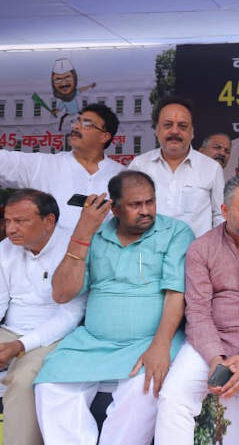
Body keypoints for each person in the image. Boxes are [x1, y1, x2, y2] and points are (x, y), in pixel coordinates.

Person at [34, 171, 194, 445]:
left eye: (150, 202)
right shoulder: (94, 235)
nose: (146, 211)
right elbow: (62, 293)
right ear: (115, 208)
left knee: (145, 390)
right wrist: (83, 230)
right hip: (92, 342)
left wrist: (160, 345)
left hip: (148, 343)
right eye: (135, 205)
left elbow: (175, 293)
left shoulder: (175, 232)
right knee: (51, 386)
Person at [156, 175, 239, 445]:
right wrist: (215, 358)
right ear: (225, 211)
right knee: (174, 395)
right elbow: (197, 311)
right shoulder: (201, 248)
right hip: (211, 338)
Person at [0, 189, 86, 445]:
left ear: (49, 221)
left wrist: (20, 345)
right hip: (11, 331)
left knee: (23, 380)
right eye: (7, 221)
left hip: (54, 338)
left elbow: (71, 314)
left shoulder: (72, 250)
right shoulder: (5, 249)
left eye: (20, 221)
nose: (10, 228)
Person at [0, 103, 126, 232]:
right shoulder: (43, 165)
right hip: (52, 252)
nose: (76, 127)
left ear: (104, 137)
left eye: (87, 124)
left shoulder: (123, 176)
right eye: (77, 121)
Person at [128, 96, 224, 237]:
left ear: (192, 132)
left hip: (196, 256)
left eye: (182, 126)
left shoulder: (211, 168)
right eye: (168, 125)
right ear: (157, 130)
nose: (175, 131)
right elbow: (127, 212)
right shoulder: (139, 165)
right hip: (149, 254)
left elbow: (220, 216)